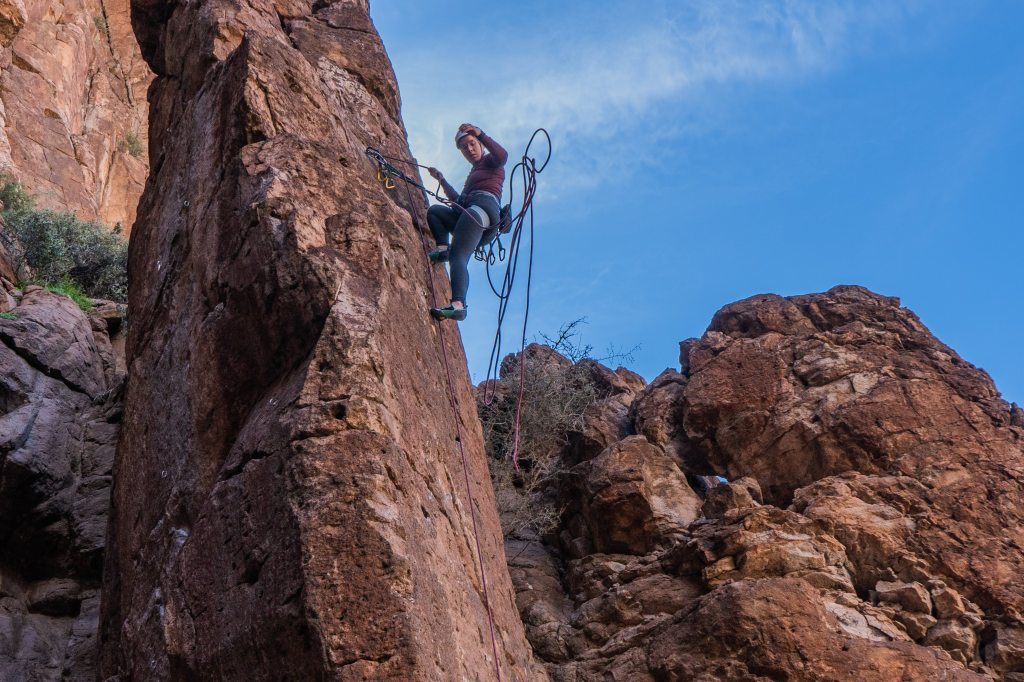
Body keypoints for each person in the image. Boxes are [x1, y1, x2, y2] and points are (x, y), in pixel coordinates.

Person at [425, 123, 507, 321]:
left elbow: (502, 156)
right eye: (464, 148)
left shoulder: (490, 162)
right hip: (470, 213)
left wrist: (481, 133)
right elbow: (457, 203)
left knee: (459, 257)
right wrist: (441, 180)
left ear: (480, 144)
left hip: (482, 212)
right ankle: (443, 249)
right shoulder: (473, 175)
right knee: (435, 211)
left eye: (472, 144)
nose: (469, 150)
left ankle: (458, 305)